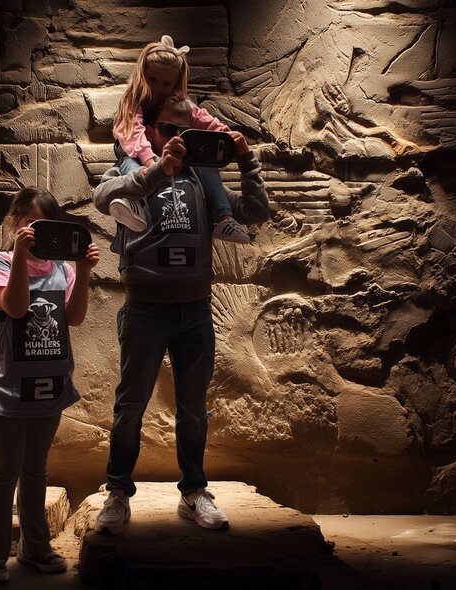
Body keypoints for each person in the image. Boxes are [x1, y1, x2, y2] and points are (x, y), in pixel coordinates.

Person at [92, 95, 269, 534]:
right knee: (129, 407)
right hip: (145, 309)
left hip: (194, 309)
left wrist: (248, 163)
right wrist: (158, 168)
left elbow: (255, 213)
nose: (178, 140)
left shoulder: (202, 181)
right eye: (169, 130)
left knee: (194, 410)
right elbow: (101, 196)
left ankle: (193, 492)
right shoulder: (131, 173)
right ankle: (117, 493)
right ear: (148, 130)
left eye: (186, 133)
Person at [0, 186, 100, 584]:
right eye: (27, 222)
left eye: (42, 223)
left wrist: (82, 272)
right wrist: (19, 258)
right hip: (8, 382)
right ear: (15, 224)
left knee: (35, 469)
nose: (34, 230)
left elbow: (75, 317)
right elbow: (14, 307)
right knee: (5, 468)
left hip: (48, 380)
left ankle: (35, 547)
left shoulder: (62, 269)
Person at [109, 34, 251, 244]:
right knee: (132, 168)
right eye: (153, 79)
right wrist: (150, 162)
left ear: (175, 82)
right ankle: (134, 205)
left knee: (207, 166)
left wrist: (224, 132)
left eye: (166, 83)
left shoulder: (177, 99)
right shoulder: (134, 98)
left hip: (173, 152)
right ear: (143, 74)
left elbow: (200, 117)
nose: (158, 87)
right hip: (136, 153)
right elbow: (133, 132)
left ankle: (223, 218)